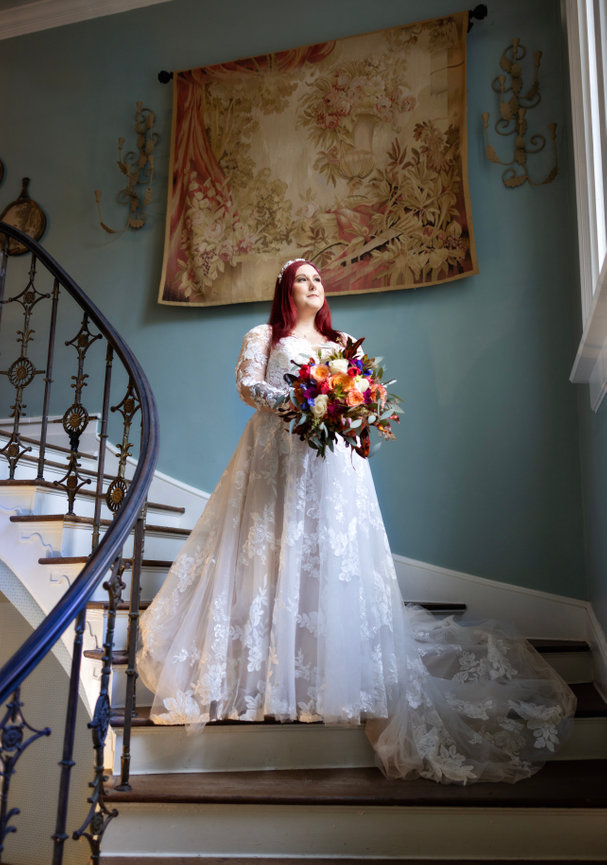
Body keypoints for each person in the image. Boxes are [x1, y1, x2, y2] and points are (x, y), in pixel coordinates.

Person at [137, 258, 576, 784]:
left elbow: (368, 402)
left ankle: (327, 673)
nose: (314, 284)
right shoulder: (263, 335)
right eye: (302, 278)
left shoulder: (344, 343)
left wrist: (350, 407)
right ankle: (266, 673)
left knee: (329, 559)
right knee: (268, 549)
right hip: (274, 459)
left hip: (333, 468)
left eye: (318, 279)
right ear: (285, 290)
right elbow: (248, 387)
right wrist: (307, 400)